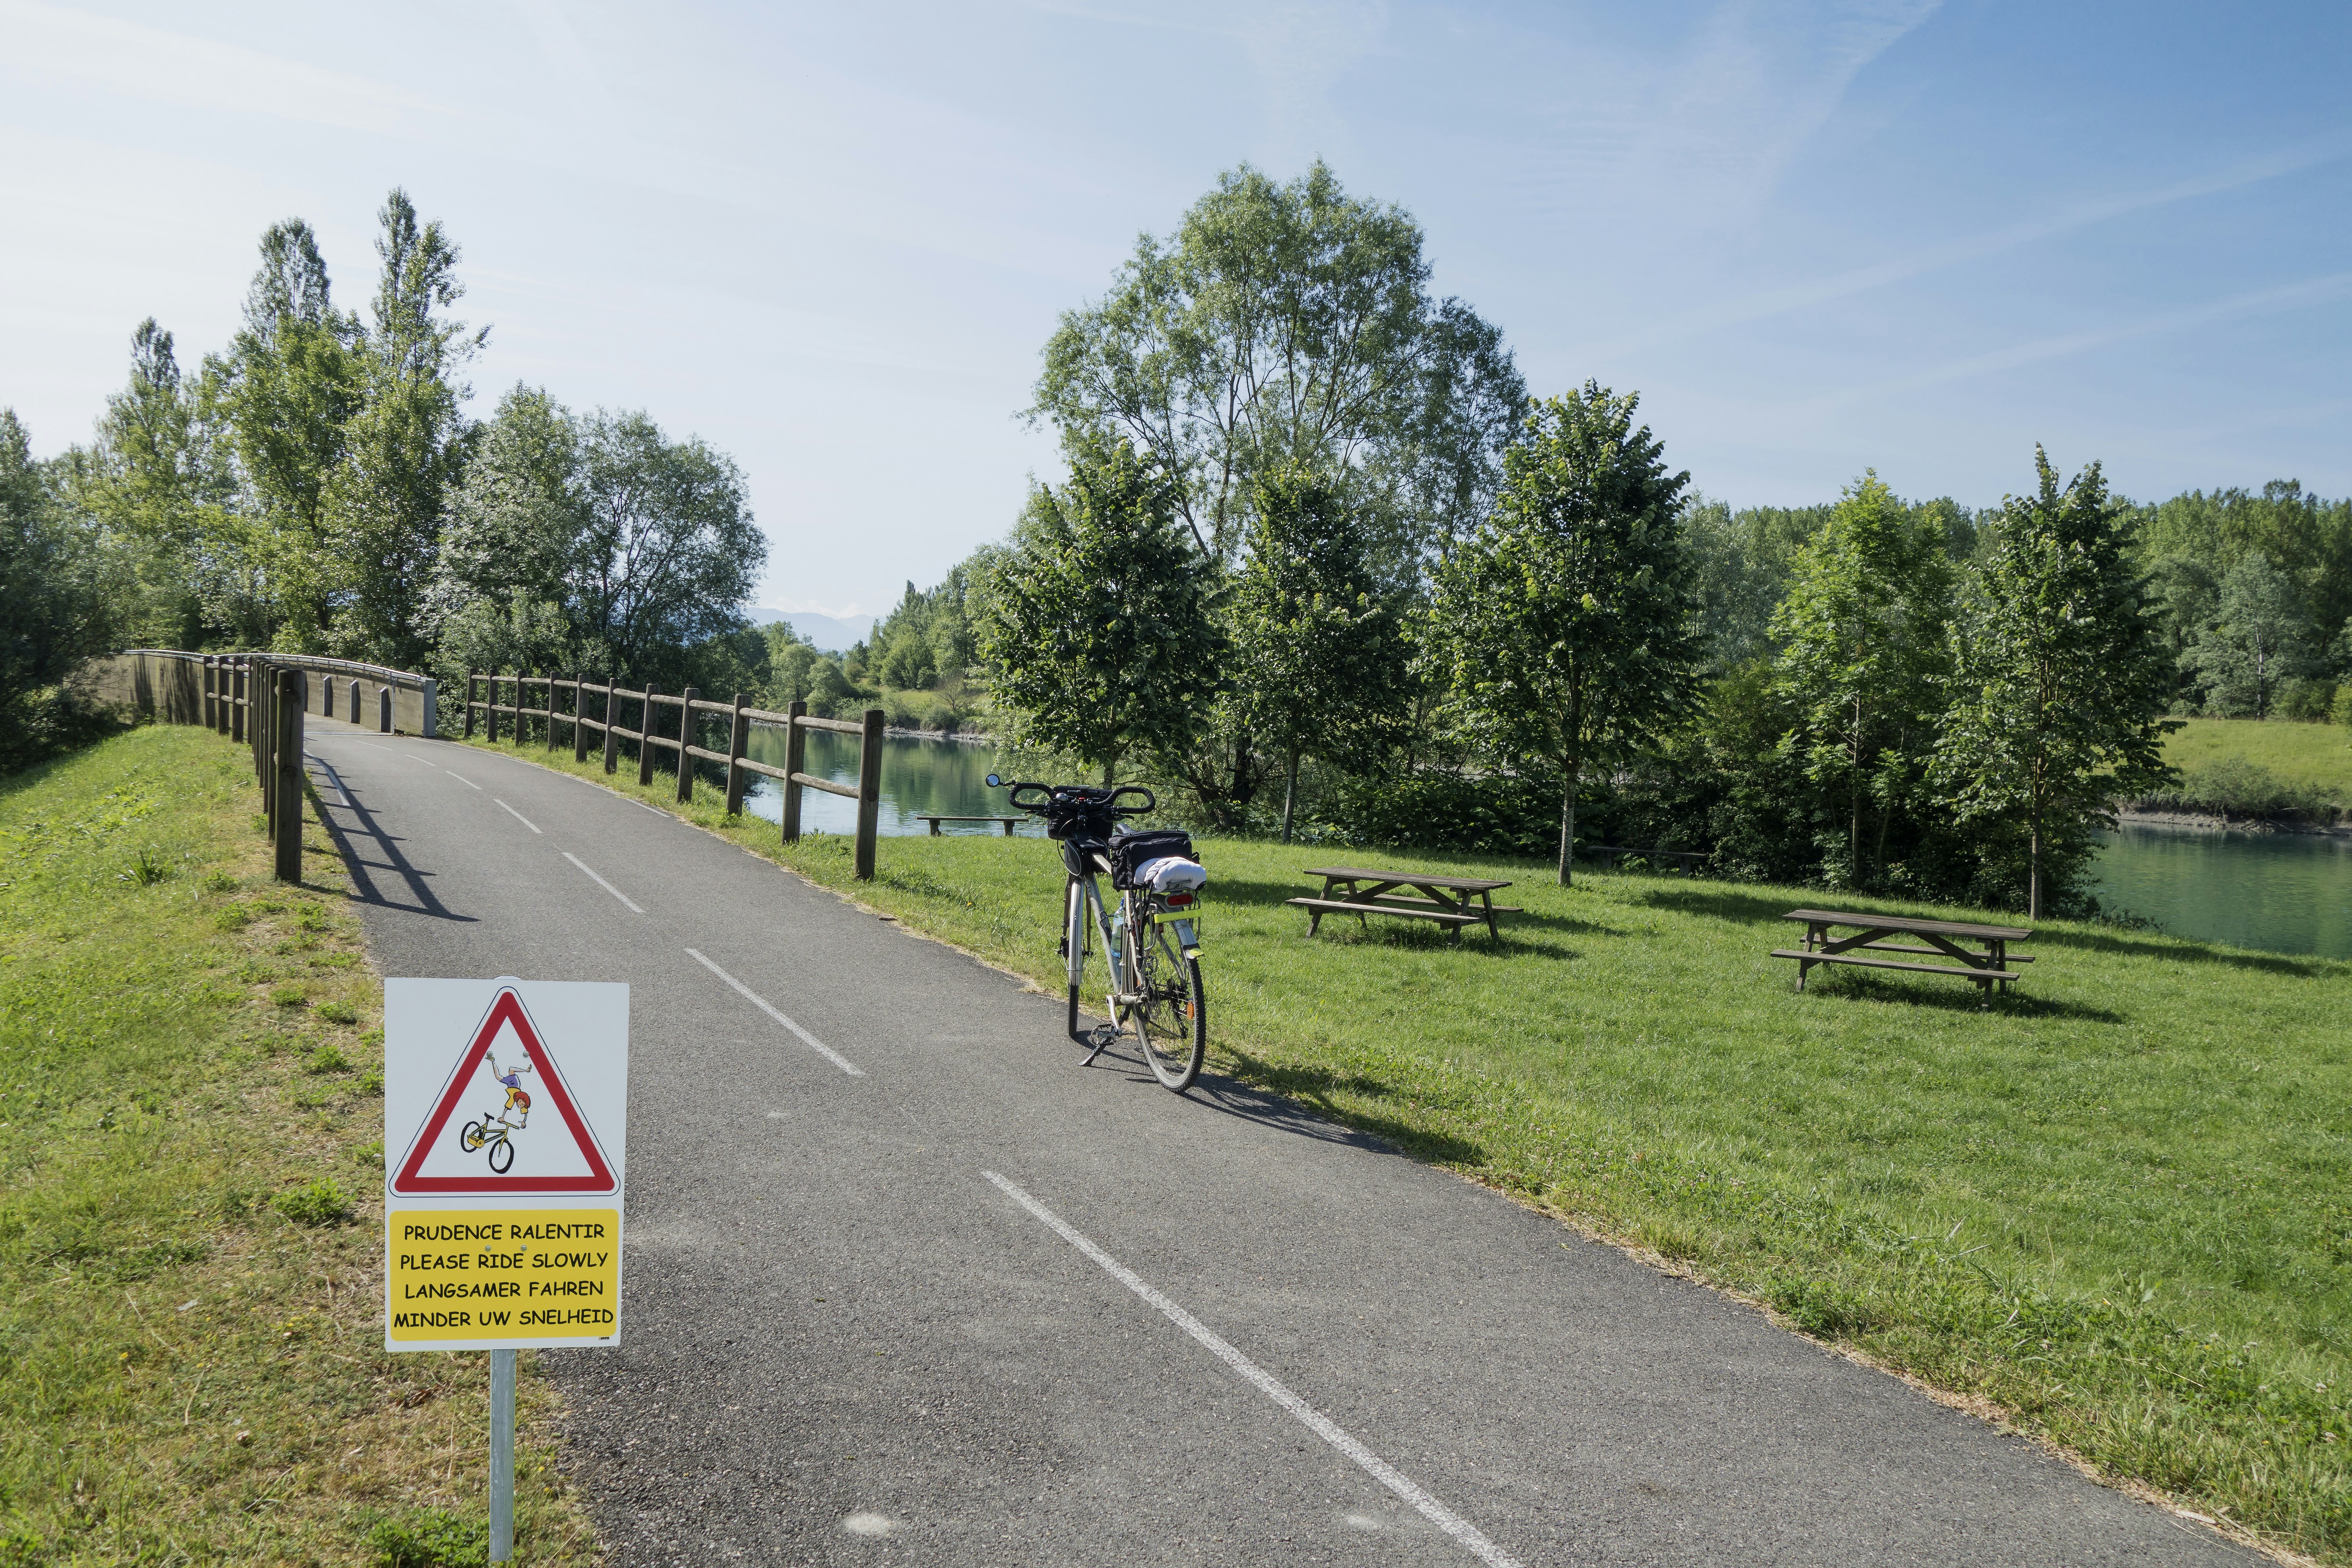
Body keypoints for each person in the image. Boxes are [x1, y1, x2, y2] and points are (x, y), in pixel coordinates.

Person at [487, 1047, 534, 1129]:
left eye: (522, 1105)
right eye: (521, 1103)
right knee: (503, 1074)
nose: (520, 1105)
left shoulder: (520, 1102)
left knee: (505, 1073)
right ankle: (526, 1070)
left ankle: (493, 1061)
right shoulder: (515, 1097)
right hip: (514, 1084)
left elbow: (525, 1112)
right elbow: (507, 1107)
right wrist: (503, 1117)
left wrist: (524, 1122)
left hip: (513, 1084)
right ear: (521, 1099)